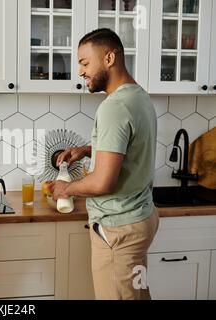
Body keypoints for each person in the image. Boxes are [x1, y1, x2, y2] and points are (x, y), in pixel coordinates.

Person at [51, 28, 159, 300]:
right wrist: (89, 150)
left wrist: (65, 189)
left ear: (110, 58)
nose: (81, 71)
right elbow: (130, 148)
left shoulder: (114, 107)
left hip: (118, 229)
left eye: (85, 63)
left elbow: (102, 182)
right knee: (136, 294)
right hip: (139, 219)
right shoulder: (139, 96)